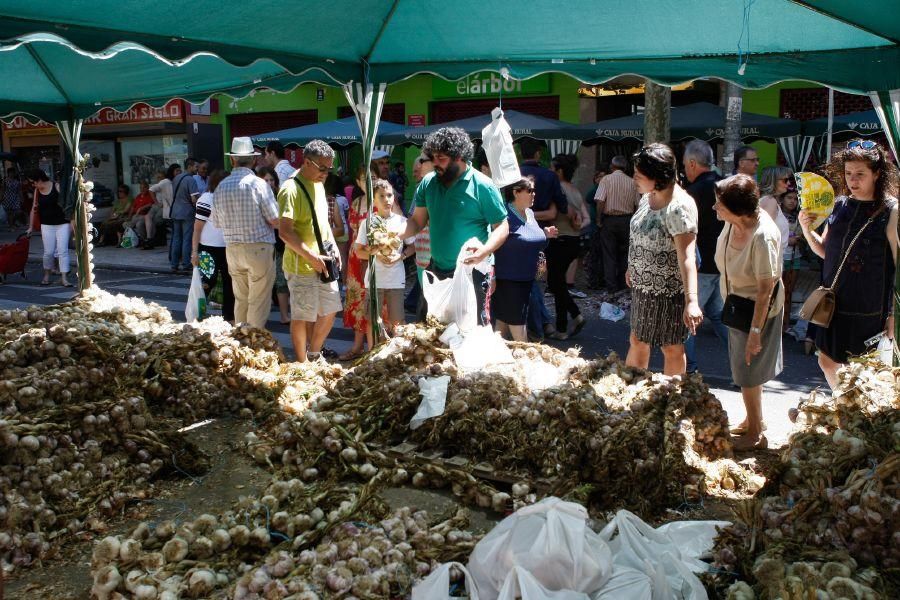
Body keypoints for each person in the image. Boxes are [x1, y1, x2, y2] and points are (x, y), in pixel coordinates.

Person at [799, 140, 899, 389]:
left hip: (870, 308)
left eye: (860, 174)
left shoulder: (891, 210)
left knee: (864, 371)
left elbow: (899, 267)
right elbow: (824, 251)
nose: (853, 180)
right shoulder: (840, 205)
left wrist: (893, 314)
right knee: (826, 360)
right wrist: (805, 228)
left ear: (877, 174)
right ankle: (843, 406)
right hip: (834, 303)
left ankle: (856, 416)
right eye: (848, 173)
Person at [402, 127, 509, 325]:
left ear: (459, 156)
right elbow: (417, 222)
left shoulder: (483, 185)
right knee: (428, 330)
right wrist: (392, 235)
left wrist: (484, 251)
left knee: (471, 333)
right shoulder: (428, 183)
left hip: (473, 271)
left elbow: (502, 226)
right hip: (436, 269)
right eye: (432, 157)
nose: (435, 163)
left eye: (441, 158)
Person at [714, 174, 785, 450]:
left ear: (737, 209)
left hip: (757, 310)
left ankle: (756, 434)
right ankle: (753, 419)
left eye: (719, 205)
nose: (714, 209)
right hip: (737, 304)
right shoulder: (733, 224)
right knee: (746, 368)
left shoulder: (762, 235)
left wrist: (756, 332)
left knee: (748, 370)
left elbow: (765, 290)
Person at [625, 144, 702, 376]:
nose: (634, 179)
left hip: (670, 291)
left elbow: (687, 257)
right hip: (643, 288)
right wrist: (632, 266)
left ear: (658, 177)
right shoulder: (647, 197)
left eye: (639, 175)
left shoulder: (679, 207)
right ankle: (630, 392)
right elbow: (638, 234)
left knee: (672, 347)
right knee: (638, 340)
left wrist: (692, 301)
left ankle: (671, 400)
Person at [278, 140, 343, 362]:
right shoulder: (290, 189)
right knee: (302, 315)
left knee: (331, 308)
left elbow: (322, 223)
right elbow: (285, 232)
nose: (326, 173)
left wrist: (333, 246)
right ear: (307, 162)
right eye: (322, 168)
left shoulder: (318, 182)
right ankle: (302, 363)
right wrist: (311, 257)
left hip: (323, 261)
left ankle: (314, 353)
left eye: (329, 168)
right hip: (301, 265)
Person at [211, 138, 279, 329]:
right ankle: (253, 341)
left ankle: (241, 340)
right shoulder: (258, 184)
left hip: (232, 248)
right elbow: (275, 220)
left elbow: (216, 223)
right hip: (258, 247)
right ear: (253, 161)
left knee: (241, 298)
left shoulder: (221, 187)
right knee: (258, 300)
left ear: (232, 160)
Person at [493, 177, 558, 341]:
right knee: (520, 337)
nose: (534, 194)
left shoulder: (529, 213)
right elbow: (493, 243)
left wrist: (545, 234)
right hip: (508, 280)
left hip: (529, 280)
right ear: (515, 192)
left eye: (534, 190)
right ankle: (526, 361)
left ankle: (496, 361)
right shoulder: (503, 215)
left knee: (501, 331)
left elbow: (528, 239)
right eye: (530, 190)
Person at [682, 140, 727, 373]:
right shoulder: (725, 186)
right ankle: (744, 364)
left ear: (692, 163)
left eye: (685, 165)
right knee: (718, 315)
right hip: (723, 263)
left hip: (702, 264)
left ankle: (689, 369)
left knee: (687, 319)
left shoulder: (693, 192)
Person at [519, 138, 568, 340]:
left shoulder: (514, 175)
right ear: (538, 154)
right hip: (541, 234)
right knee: (535, 279)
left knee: (530, 280)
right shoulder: (549, 176)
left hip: (518, 232)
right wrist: (549, 212)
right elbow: (561, 206)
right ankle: (543, 324)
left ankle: (542, 324)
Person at [354, 179, 408, 331]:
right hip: (374, 279)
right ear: (374, 200)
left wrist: (401, 256)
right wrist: (376, 255)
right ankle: (372, 351)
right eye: (382, 196)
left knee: (397, 322)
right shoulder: (368, 222)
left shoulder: (402, 222)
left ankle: (397, 353)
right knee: (372, 321)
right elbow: (358, 251)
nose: (387, 200)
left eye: (390, 195)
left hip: (396, 279)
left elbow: (413, 246)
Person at [547, 153, 587, 339]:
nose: (549, 171)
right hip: (573, 240)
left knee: (556, 284)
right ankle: (566, 324)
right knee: (558, 283)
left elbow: (556, 212)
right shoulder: (575, 190)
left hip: (560, 239)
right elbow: (582, 218)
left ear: (560, 171)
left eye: (552, 168)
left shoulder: (559, 188)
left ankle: (567, 323)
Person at [341, 167, 376, 359]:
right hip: (356, 259)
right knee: (357, 302)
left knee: (374, 302)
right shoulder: (355, 203)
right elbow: (350, 235)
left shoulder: (383, 200)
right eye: (364, 179)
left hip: (374, 258)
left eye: (373, 178)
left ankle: (374, 347)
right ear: (357, 181)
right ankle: (357, 346)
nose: (368, 182)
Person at [191, 169, 235, 322]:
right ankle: (198, 315)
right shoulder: (206, 199)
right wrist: (194, 252)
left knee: (230, 285)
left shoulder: (230, 199)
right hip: (209, 248)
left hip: (228, 247)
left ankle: (229, 318)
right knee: (207, 283)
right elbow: (197, 227)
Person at [595, 155, 640, 292]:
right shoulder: (632, 182)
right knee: (625, 254)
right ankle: (623, 284)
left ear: (612, 166)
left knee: (609, 254)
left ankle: (611, 287)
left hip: (609, 220)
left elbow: (600, 201)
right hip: (627, 220)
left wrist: (598, 219)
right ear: (625, 167)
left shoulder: (606, 180)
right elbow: (638, 205)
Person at [25, 168, 71, 287]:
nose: (33, 185)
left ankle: (64, 278)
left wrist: (72, 222)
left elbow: (67, 204)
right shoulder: (37, 191)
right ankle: (46, 275)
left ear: (39, 179)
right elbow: (33, 210)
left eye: (33, 182)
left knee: (63, 251)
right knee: (48, 252)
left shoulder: (56, 186)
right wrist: (30, 227)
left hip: (62, 223)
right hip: (46, 224)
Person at [258, 166, 292, 324]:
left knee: (284, 280)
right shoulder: (258, 197)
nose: (269, 183)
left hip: (283, 243)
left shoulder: (281, 196)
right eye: (266, 180)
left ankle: (285, 314)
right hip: (265, 244)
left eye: (272, 180)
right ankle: (281, 313)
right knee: (274, 281)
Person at [410, 154, 435, 319]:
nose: (416, 171)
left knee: (432, 304)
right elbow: (415, 221)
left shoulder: (432, 186)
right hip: (423, 256)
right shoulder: (424, 187)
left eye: (422, 162)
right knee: (427, 300)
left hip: (436, 257)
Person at [170, 157, 200, 272]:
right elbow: (194, 199)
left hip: (175, 211)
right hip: (187, 212)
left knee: (176, 238)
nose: (197, 169)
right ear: (190, 166)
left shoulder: (176, 178)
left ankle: (174, 264)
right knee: (187, 239)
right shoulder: (191, 180)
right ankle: (186, 264)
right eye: (196, 167)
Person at [779, 189, 803, 333]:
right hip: (780, 257)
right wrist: (788, 240)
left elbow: (802, 236)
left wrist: (799, 239)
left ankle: (785, 325)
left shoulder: (799, 216)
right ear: (782, 199)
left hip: (795, 257)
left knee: (788, 293)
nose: (792, 201)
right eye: (789, 197)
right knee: (777, 293)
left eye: (795, 198)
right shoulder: (776, 214)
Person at [758, 166, 793, 261]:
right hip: (768, 260)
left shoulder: (770, 201)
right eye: (785, 180)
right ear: (773, 181)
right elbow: (763, 235)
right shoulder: (770, 201)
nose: (788, 183)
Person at [127, 180, 157, 247]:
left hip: (145, 216)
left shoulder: (150, 195)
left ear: (147, 188)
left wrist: (141, 208)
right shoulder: (138, 196)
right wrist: (129, 216)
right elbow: (133, 207)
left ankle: (129, 226)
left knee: (133, 221)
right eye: (141, 188)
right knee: (138, 224)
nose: (142, 189)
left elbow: (151, 204)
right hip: (137, 216)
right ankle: (144, 240)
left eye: (144, 188)